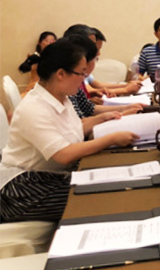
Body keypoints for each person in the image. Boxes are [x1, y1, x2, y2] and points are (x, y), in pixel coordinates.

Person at [0, 38, 138, 222]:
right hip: (21, 187)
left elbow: (73, 129)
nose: (84, 79)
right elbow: (63, 154)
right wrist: (110, 139)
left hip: (48, 175)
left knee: (108, 184)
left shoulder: (61, 97)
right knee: (98, 198)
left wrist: (102, 118)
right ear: (61, 74)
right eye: (81, 73)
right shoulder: (33, 107)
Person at [64, 34, 143, 118]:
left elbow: (89, 107)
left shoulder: (76, 80)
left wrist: (126, 108)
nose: (98, 53)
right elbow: (80, 122)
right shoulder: (70, 84)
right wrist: (119, 113)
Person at [84, 27, 142, 99]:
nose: (99, 54)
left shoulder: (85, 70)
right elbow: (89, 92)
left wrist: (126, 85)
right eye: (96, 49)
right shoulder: (78, 69)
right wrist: (125, 90)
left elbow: (98, 85)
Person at [19, 31, 56, 97]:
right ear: (39, 42)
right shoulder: (35, 56)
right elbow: (22, 69)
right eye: (46, 41)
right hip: (34, 88)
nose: (49, 43)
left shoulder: (57, 58)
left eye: (52, 41)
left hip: (50, 90)